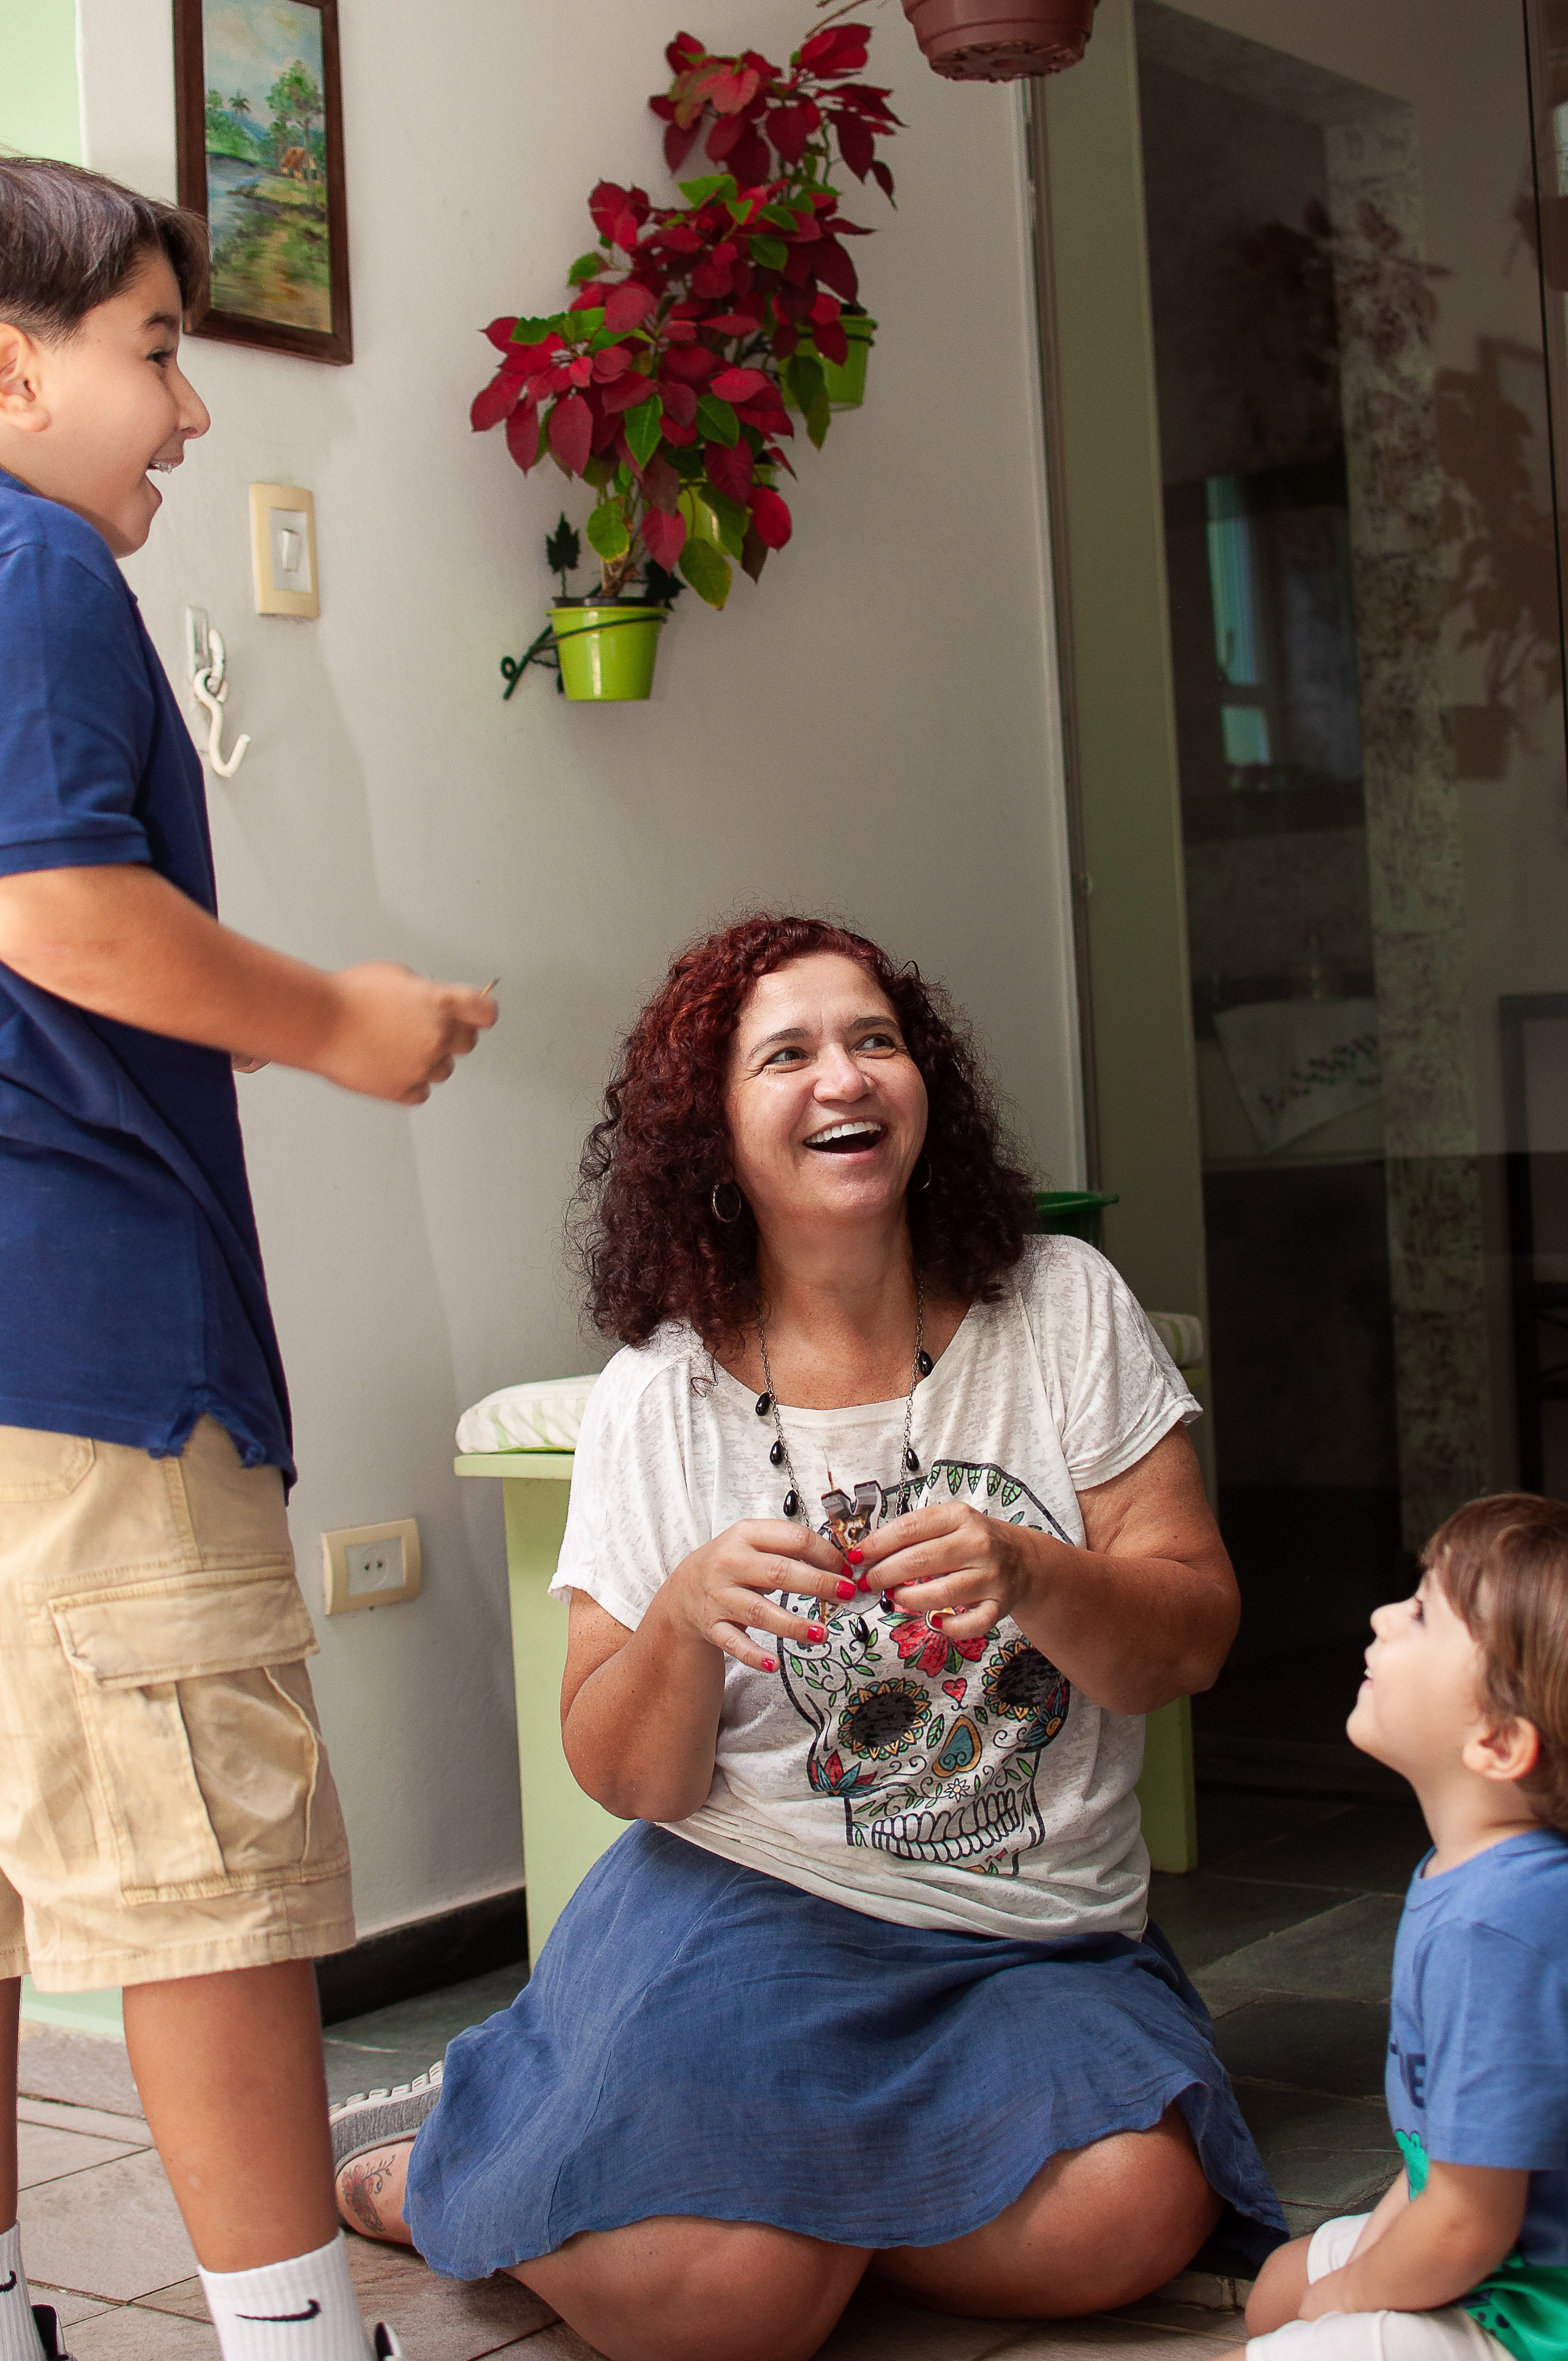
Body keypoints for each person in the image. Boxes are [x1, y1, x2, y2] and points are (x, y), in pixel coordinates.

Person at [329, 912, 1284, 2361]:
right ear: (711, 1134)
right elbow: (629, 1778)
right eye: (786, 1054)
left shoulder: (1063, 1307)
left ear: (924, 1089)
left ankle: (755, 2209)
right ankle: (492, 2147)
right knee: (726, 2318)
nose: (843, 1076)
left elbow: (1193, 1636)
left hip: (1028, 1939)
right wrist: (682, 1624)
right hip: (749, 1911)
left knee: (1133, 2213)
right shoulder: (659, 1394)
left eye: (874, 1040)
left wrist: (1033, 1572)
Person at [0, 157, 496, 2361]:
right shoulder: (22, 554)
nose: (189, 417)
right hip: (92, 1341)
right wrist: (346, 1023)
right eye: (159, 349)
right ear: (11, 363)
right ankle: (301, 2341)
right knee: (207, 1878)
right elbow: (60, 910)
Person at [1234, 1494, 1568, 2361]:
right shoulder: (1473, 1879)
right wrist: (1328, 2292)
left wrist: (1345, 2300)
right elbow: (1440, 2167)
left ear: (1498, 1742)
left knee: (1292, 2323)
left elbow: (1465, 2227)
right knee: (1279, 2288)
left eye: (1422, 1612)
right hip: (1502, 2255)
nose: (1384, 1612)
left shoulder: (1501, 1925)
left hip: (1535, 2316)